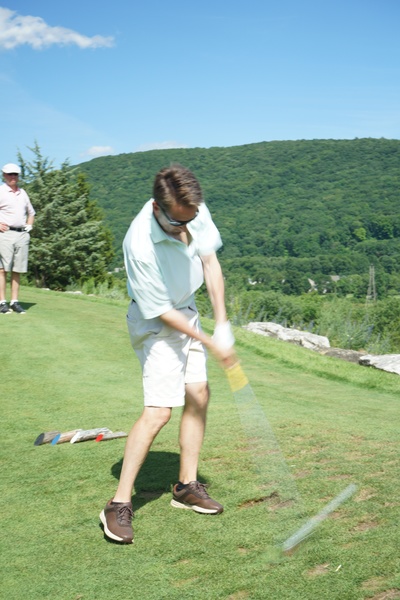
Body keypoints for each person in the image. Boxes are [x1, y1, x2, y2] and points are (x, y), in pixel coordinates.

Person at [100, 164, 236, 544]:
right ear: (158, 208)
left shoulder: (191, 210)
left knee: (199, 393)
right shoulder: (139, 243)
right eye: (178, 223)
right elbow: (162, 312)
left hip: (187, 310)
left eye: (190, 220)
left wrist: (222, 324)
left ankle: (186, 486)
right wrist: (210, 341)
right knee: (159, 411)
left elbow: (210, 263)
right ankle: (117, 503)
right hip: (156, 324)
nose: (186, 230)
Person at [0, 163, 35, 314]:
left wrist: (29, 225)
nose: (13, 177)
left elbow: (31, 212)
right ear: (4, 175)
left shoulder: (23, 193)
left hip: (21, 235)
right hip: (5, 234)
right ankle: (2, 302)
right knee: (2, 269)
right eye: (10, 174)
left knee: (17, 269)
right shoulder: (1, 191)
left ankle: (14, 302)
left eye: (15, 174)